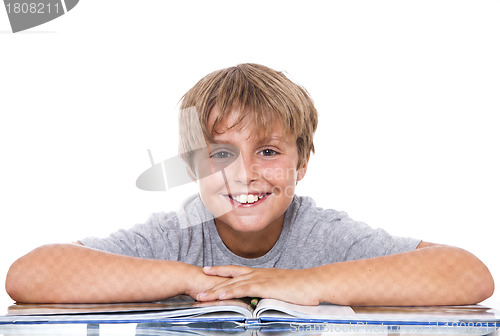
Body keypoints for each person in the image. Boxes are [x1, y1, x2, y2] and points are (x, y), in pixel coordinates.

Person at [5, 64, 494, 306]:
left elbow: (468, 275)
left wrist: (301, 283)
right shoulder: (177, 236)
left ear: (302, 162)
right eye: (220, 153)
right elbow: (29, 276)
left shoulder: (323, 235)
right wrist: (190, 278)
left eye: (268, 150)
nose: (244, 174)